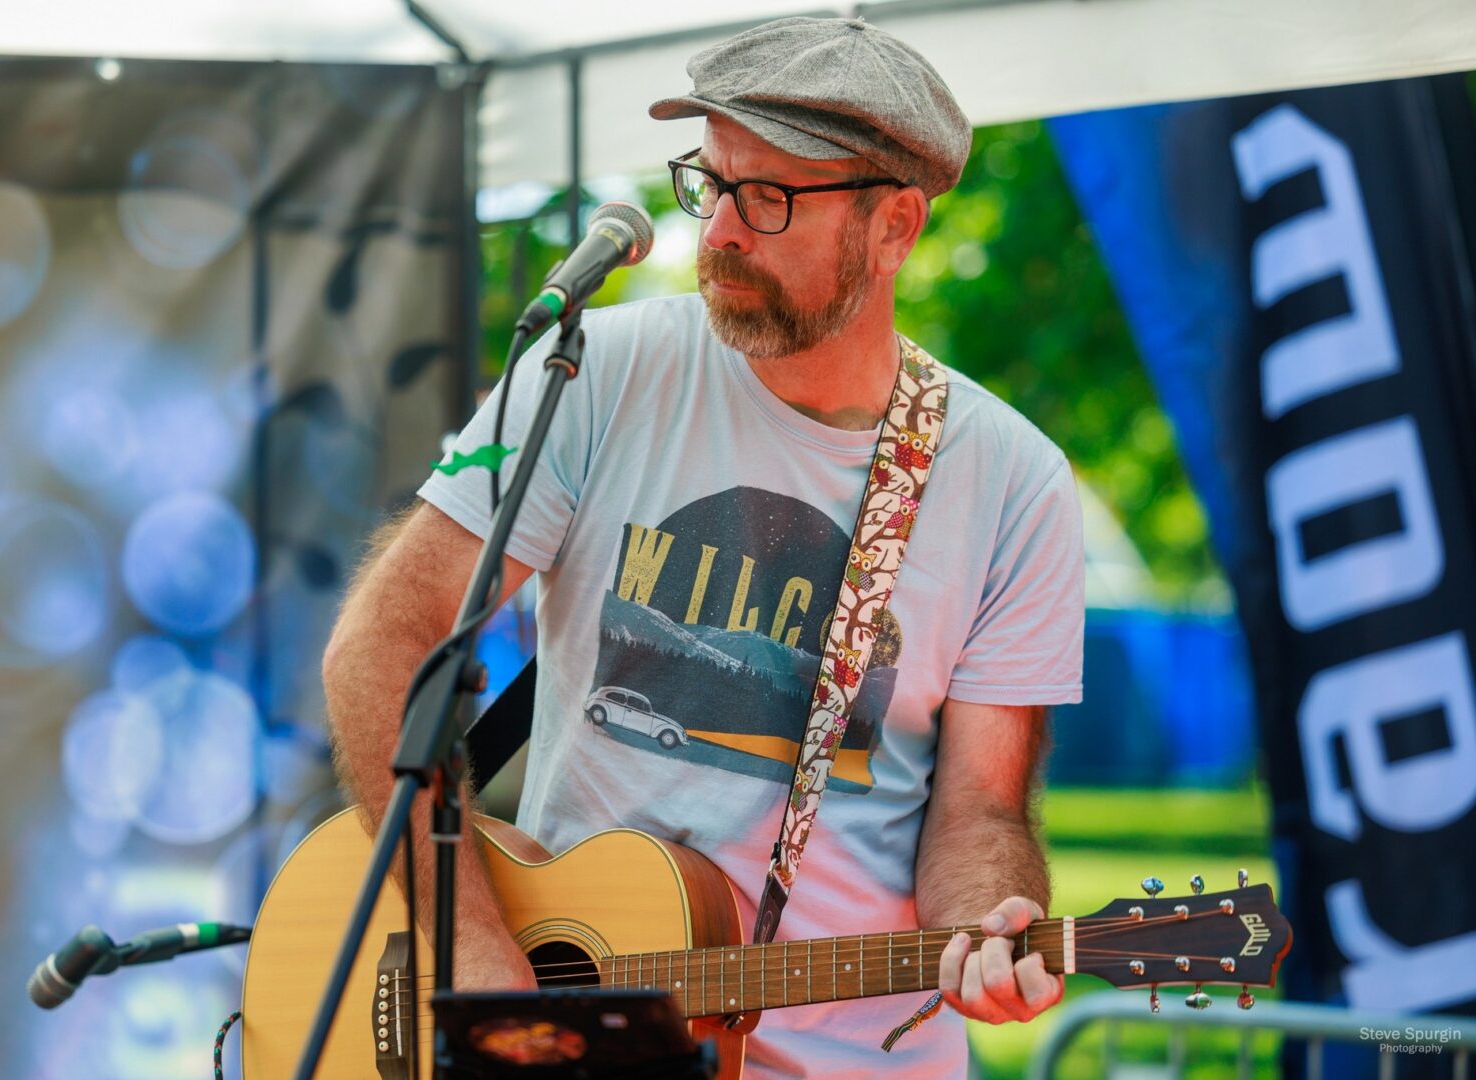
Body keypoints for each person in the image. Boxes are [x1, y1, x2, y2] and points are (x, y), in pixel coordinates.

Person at [323, 15, 1083, 1078]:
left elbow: (980, 809)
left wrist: (989, 922)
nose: (718, 231)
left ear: (894, 226)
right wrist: (479, 957)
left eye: (768, 197)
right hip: (579, 1045)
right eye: (711, 182)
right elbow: (380, 644)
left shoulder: (1009, 481)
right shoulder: (593, 373)